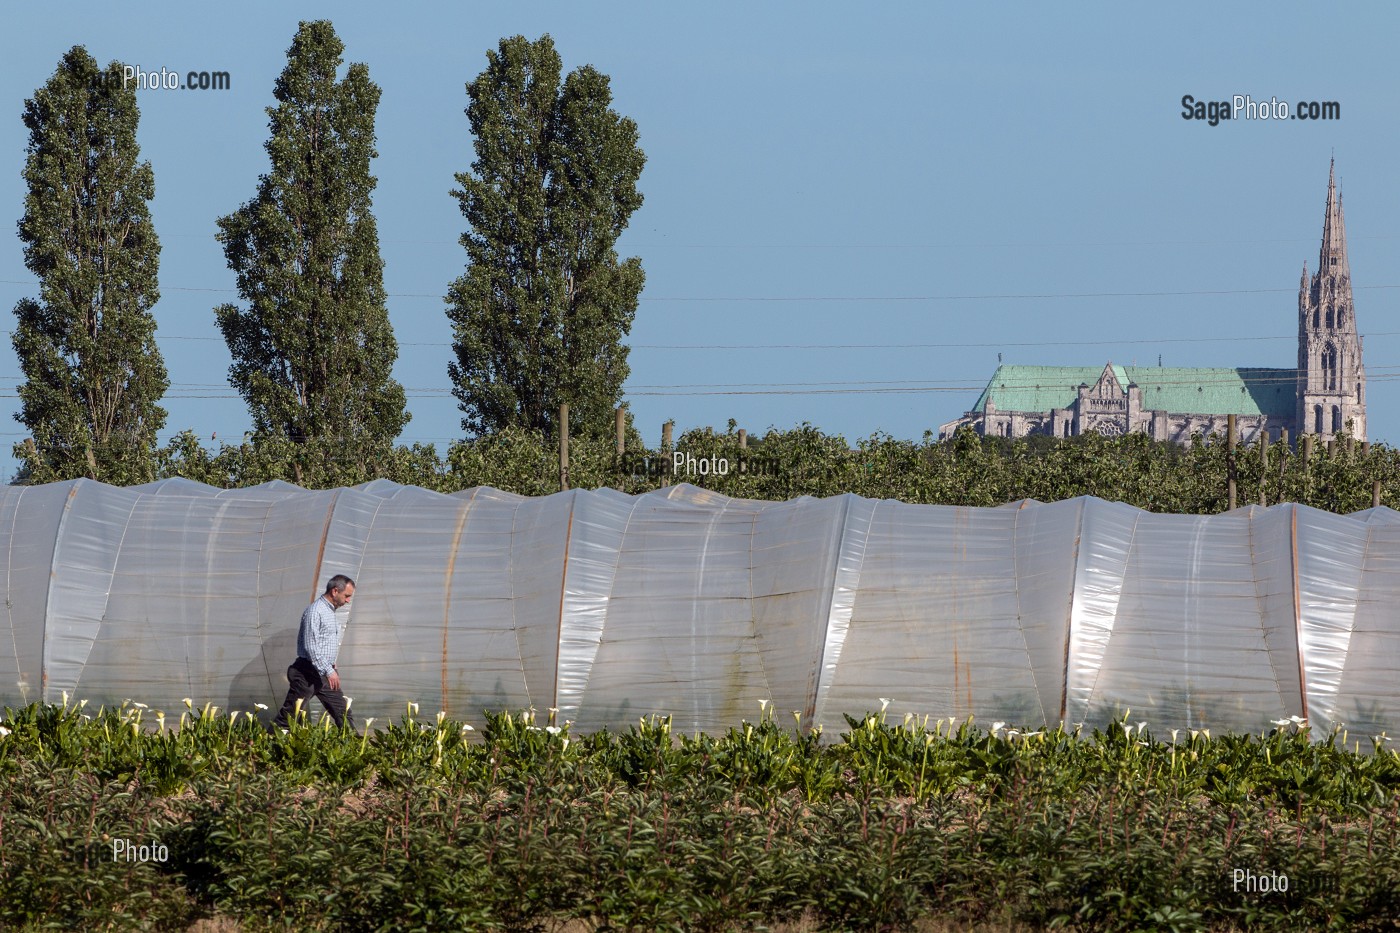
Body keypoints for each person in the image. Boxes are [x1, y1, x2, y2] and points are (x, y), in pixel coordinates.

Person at [272, 574, 356, 731]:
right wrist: (329, 670)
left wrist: (331, 663)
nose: (347, 601)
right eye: (346, 596)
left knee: (342, 711)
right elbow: (311, 646)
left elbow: (323, 642)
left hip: (323, 671)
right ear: (335, 591)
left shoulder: (329, 611)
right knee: (290, 715)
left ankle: (355, 746)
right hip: (307, 672)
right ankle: (264, 746)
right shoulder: (315, 611)